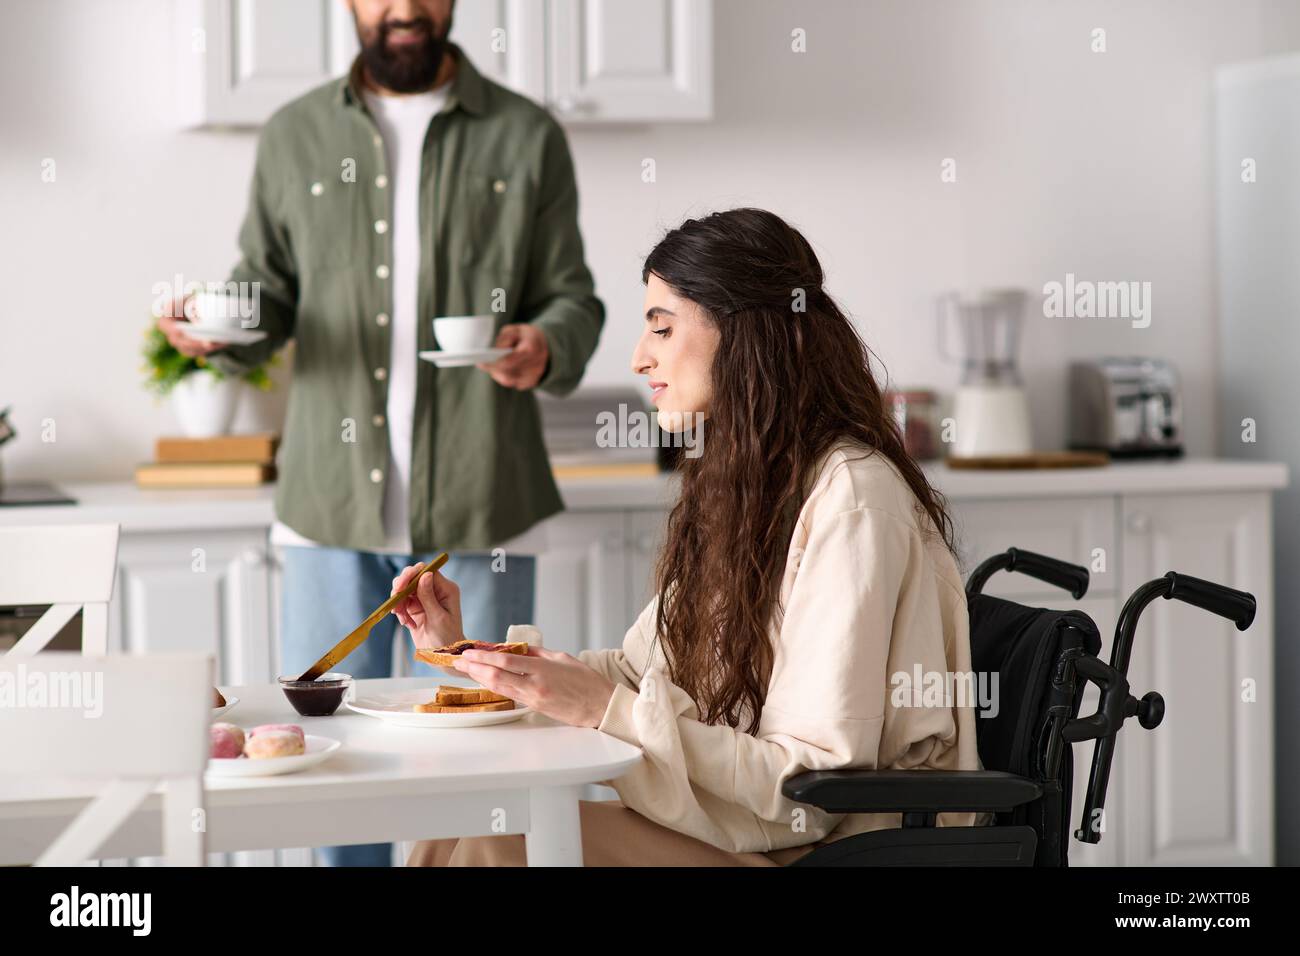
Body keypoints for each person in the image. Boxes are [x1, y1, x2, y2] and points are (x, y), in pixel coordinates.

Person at [394, 208, 983, 866]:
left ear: (747, 335)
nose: (640, 357)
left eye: (663, 328)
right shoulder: (748, 483)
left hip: (825, 852)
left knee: (501, 837)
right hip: (755, 833)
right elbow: (638, 673)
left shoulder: (850, 499)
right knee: (459, 821)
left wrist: (606, 712)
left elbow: (816, 789)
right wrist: (472, 659)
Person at [156, 0, 603, 866]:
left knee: (487, 768)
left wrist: (547, 342)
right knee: (334, 779)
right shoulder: (292, 134)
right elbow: (269, 292)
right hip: (327, 507)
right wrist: (223, 330)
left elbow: (572, 295)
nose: (403, 8)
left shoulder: (526, 134)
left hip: (486, 505)